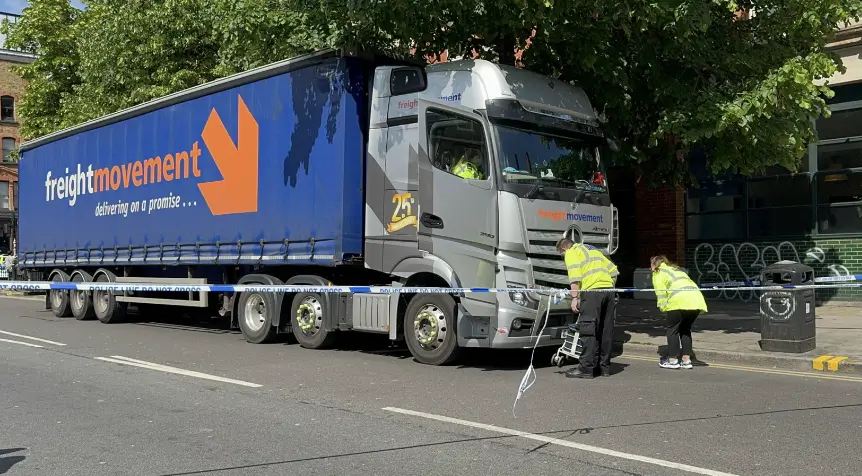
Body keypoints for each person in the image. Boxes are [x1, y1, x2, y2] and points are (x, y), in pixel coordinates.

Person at [556, 237, 619, 379]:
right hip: (608, 291)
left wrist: (575, 298)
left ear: (564, 249)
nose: (563, 257)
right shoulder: (593, 250)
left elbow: (574, 277)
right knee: (605, 330)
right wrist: (609, 288)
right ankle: (604, 368)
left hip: (592, 292)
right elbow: (614, 271)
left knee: (588, 329)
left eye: (562, 255)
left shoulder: (572, 252)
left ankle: (586, 368)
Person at [650, 255, 708, 370]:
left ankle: (673, 360)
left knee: (672, 329)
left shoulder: (658, 272)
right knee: (685, 329)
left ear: (654, 264)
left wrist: (663, 308)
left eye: (650, 264)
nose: (649, 267)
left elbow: (660, 292)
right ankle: (686, 360)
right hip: (696, 300)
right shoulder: (677, 270)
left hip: (678, 301)